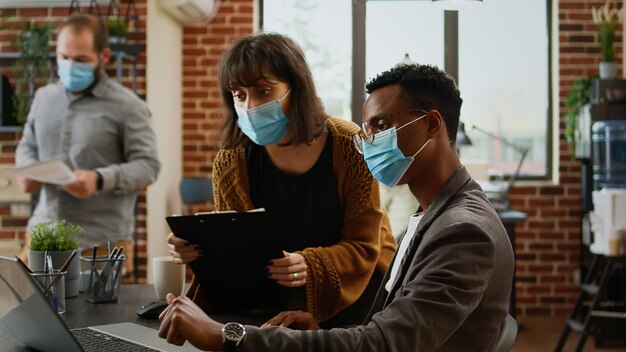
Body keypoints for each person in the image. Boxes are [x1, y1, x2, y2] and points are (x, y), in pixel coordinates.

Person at [158, 63, 515, 351]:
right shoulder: (432, 215)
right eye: (367, 130)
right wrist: (310, 334)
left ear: (432, 124)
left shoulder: (463, 231)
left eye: (382, 125)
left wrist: (227, 335)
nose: (370, 143)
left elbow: (384, 344)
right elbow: (389, 327)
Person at [166, 32, 396, 327]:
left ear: (296, 89)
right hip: (276, 297)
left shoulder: (348, 144)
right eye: (239, 94)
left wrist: (310, 265)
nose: (249, 107)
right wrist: (200, 247)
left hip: (357, 288)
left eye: (263, 91)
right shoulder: (231, 160)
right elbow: (240, 250)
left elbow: (364, 246)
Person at [15, 13, 160, 271]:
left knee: (93, 314)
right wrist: (27, 168)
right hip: (40, 235)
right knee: (24, 310)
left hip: (99, 244)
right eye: (64, 58)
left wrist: (100, 179)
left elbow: (149, 166)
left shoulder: (128, 106)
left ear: (103, 57)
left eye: (81, 60)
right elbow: (28, 145)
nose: (70, 66)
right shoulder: (43, 98)